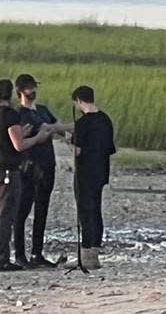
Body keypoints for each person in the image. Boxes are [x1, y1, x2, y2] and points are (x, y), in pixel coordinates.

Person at [0, 79, 55, 271]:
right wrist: (37, 138)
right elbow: (19, 145)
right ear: (12, 94)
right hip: (8, 169)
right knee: (5, 215)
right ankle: (2, 259)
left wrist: (19, 133)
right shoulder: (10, 115)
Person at [13, 74, 63, 268]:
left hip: (47, 164)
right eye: (29, 88)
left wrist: (67, 132)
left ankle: (37, 253)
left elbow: (55, 127)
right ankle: (19, 254)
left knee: (42, 209)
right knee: (23, 210)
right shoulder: (20, 113)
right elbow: (46, 128)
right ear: (20, 91)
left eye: (34, 86)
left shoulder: (42, 109)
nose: (33, 90)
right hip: (29, 166)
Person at [70, 85, 116, 270]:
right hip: (101, 171)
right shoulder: (105, 120)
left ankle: (87, 253)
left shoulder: (83, 123)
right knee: (96, 210)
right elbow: (109, 148)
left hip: (85, 173)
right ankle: (94, 252)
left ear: (79, 101)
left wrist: (69, 141)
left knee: (85, 212)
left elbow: (78, 150)